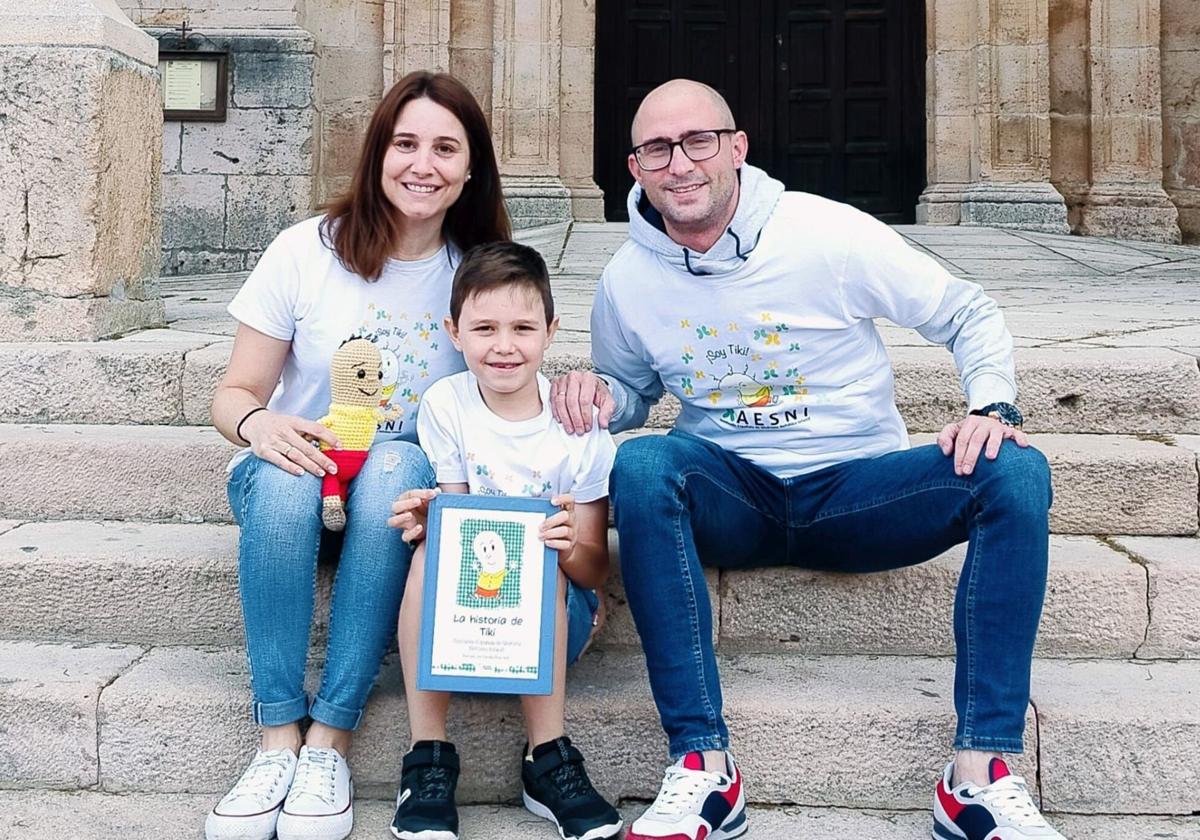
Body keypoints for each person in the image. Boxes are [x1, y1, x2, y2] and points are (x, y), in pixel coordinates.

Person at [551, 79, 1061, 840]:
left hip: (859, 493)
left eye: (698, 141)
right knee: (644, 465)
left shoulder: (828, 234)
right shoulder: (627, 280)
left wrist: (991, 407)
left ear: (736, 148)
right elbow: (632, 394)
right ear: (635, 167)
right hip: (734, 496)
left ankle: (979, 775)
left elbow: (966, 312)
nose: (680, 163)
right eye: (658, 148)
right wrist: (598, 395)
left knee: (1017, 470)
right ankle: (702, 770)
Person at [205, 70, 509, 840]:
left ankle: (330, 740)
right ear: (378, 153)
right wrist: (258, 427)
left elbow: (510, 394)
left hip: (395, 492)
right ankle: (278, 736)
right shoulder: (306, 251)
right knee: (281, 484)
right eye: (406, 143)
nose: (422, 164)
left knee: (399, 466)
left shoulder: (479, 270)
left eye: (445, 148)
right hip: (298, 467)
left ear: (470, 168)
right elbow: (234, 391)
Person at [388, 241, 623, 840]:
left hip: (558, 612)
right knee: (427, 554)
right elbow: (456, 513)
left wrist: (568, 544)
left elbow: (594, 567)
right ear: (454, 331)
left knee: (538, 553)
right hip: (467, 619)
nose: (503, 345)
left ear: (550, 331)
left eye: (522, 327)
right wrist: (428, 518)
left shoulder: (581, 429)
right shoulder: (447, 404)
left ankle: (548, 757)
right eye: (484, 328)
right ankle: (428, 757)